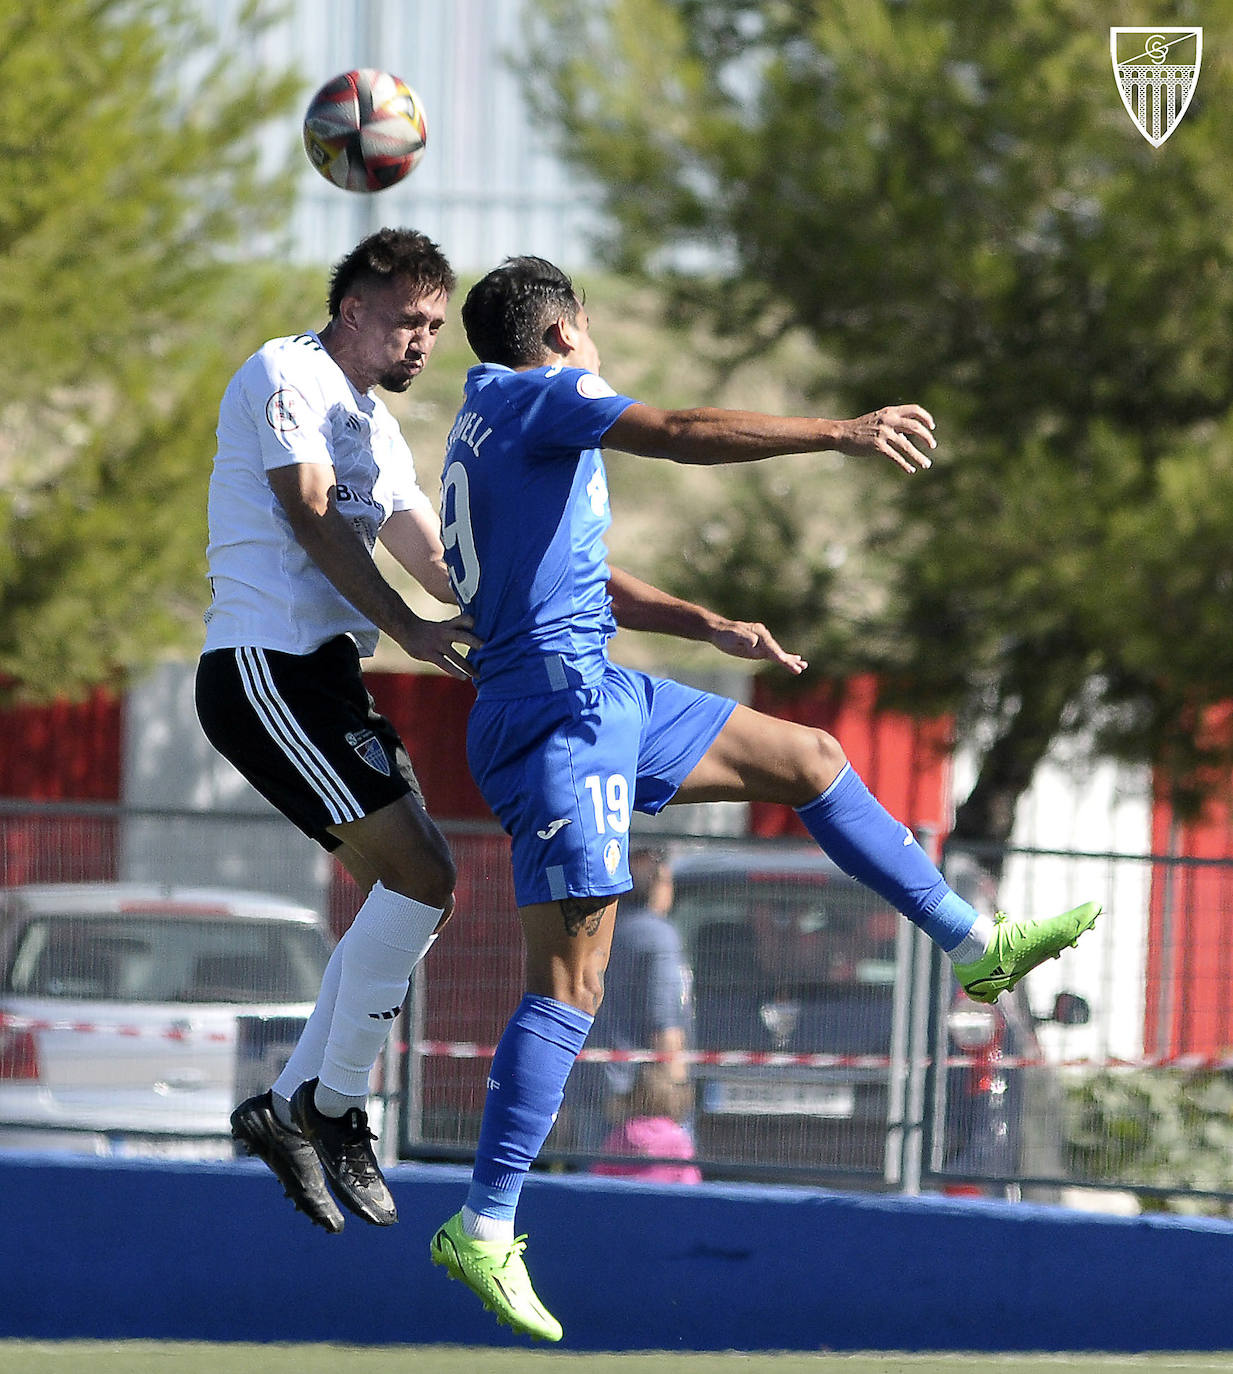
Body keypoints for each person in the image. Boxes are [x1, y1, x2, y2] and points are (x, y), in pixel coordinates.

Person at [427, 255, 1102, 1342]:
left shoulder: (489, 414)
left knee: (812, 762)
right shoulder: (554, 394)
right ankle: (484, 1221)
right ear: (566, 332)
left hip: (603, 691)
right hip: (556, 722)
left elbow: (569, 576)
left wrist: (704, 626)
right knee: (573, 982)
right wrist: (840, 431)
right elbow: (687, 430)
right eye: (589, 337)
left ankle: (975, 942)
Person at [195, 228, 480, 1235]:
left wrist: (551, 610)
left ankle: (292, 1107)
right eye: (408, 320)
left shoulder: (380, 429)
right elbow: (312, 512)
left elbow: (439, 564)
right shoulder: (287, 372)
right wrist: (406, 627)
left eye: (436, 327)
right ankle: (333, 1107)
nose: (422, 343)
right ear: (352, 305)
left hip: (324, 681)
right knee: (422, 873)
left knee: (426, 886)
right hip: (262, 667)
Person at [560, 844, 691, 1155]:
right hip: (640, 1098)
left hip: (590, 1084)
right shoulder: (658, 937)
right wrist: (678, 1089)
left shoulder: (595, 930)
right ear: (660, 882)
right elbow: (664, 1023)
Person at [589, 1060, 701, 1186]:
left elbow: (600, 1176)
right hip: (665, 1203)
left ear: (633, 1097)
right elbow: (689, 1182)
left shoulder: (620, 1135)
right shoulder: (677, 1139)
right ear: (671, 1099)